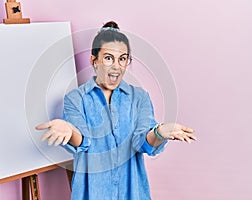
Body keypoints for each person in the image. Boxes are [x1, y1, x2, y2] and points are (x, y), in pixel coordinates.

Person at [36, 21, 197, 200]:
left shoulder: (139, 97)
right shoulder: (75, 99)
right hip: (92, 194)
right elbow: (83, 141)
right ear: (94, 60)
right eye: (108, 58)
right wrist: (70, 130)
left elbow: (142, 142)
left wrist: (159, 132)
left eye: (122, 59)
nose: (116, 66)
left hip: (133, 193)